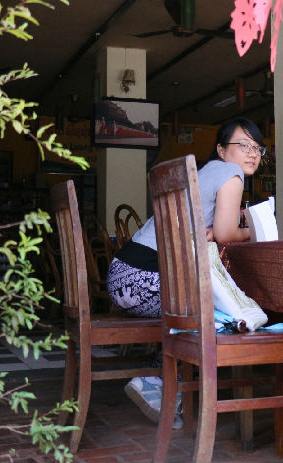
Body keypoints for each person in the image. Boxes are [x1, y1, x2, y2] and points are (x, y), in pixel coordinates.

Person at [106, 117, 266, 428]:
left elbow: (215, 230)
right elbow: (226, 234)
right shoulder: (230, 173)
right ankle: (159, 382)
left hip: (124, 276)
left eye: (257, 147)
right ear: (222, 150)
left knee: (207, 307)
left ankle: (158, 379)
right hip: (145, 282)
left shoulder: (205, 173)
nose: (252, 153)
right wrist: (252, 231)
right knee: (226, 314)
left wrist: (221, 229)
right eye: (243, 145)